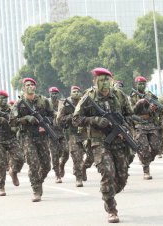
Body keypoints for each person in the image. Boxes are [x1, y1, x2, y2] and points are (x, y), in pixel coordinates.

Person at [73, 68, 131, 223]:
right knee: (107, 172)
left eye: (107, 79)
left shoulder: (119, 96)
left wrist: (124, 128)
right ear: (95, 81)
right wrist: (95, 120)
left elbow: (130, 115)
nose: (105, 83)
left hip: (118, 141)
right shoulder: (88, 98)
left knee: (122, 176)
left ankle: (107, 192)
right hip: (99, 142)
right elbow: (76, 119)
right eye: (101, 79)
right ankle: (111, 209)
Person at [10, 77, 53, 202]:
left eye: (32, 84)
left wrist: (44, 125)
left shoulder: (44, 101)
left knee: (46, 165)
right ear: (23, 88)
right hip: (26, 136)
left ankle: (38, 181)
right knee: (33, 163)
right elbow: (12, 121)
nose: (30, 86)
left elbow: (52, 116)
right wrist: (26, 118)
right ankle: (36, 189)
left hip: (41, 136)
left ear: (35, 87)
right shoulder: (19, 103)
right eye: (27, 85)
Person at [130, 76, 162, 180]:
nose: (142, 86)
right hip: (139, 124)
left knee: (156, 147)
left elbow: (160, 109)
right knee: (143, 148)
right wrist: (138, 103)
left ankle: (147, 160)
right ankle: (146, 170)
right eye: (140, 84)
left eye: (143, 84)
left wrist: (154, 108)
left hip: (151, 123)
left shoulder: (150, 95)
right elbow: (130, 112)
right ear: (136, 84)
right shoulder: (132, 97)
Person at [56, 86, 85, 187]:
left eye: (78, 91)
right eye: (74, 91)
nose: (76, 93)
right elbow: (59, 120)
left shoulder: (84, 101)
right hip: (72, 133)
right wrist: (71, 116)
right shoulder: (66, 104)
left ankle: (83, 168)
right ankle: (78, 177)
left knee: (90, 155)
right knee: (76, 155)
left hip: (86, 132)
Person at [48, 86, 69, 183]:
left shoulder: (62, 104)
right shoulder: (46, 103)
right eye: (53, 93)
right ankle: (57, 175)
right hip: (51, 133)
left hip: (61, 132)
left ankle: (62, 165)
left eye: (56, 93)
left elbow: (66, 114)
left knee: (66, 151)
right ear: (49, 94)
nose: (54, 95)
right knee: (55, 154)